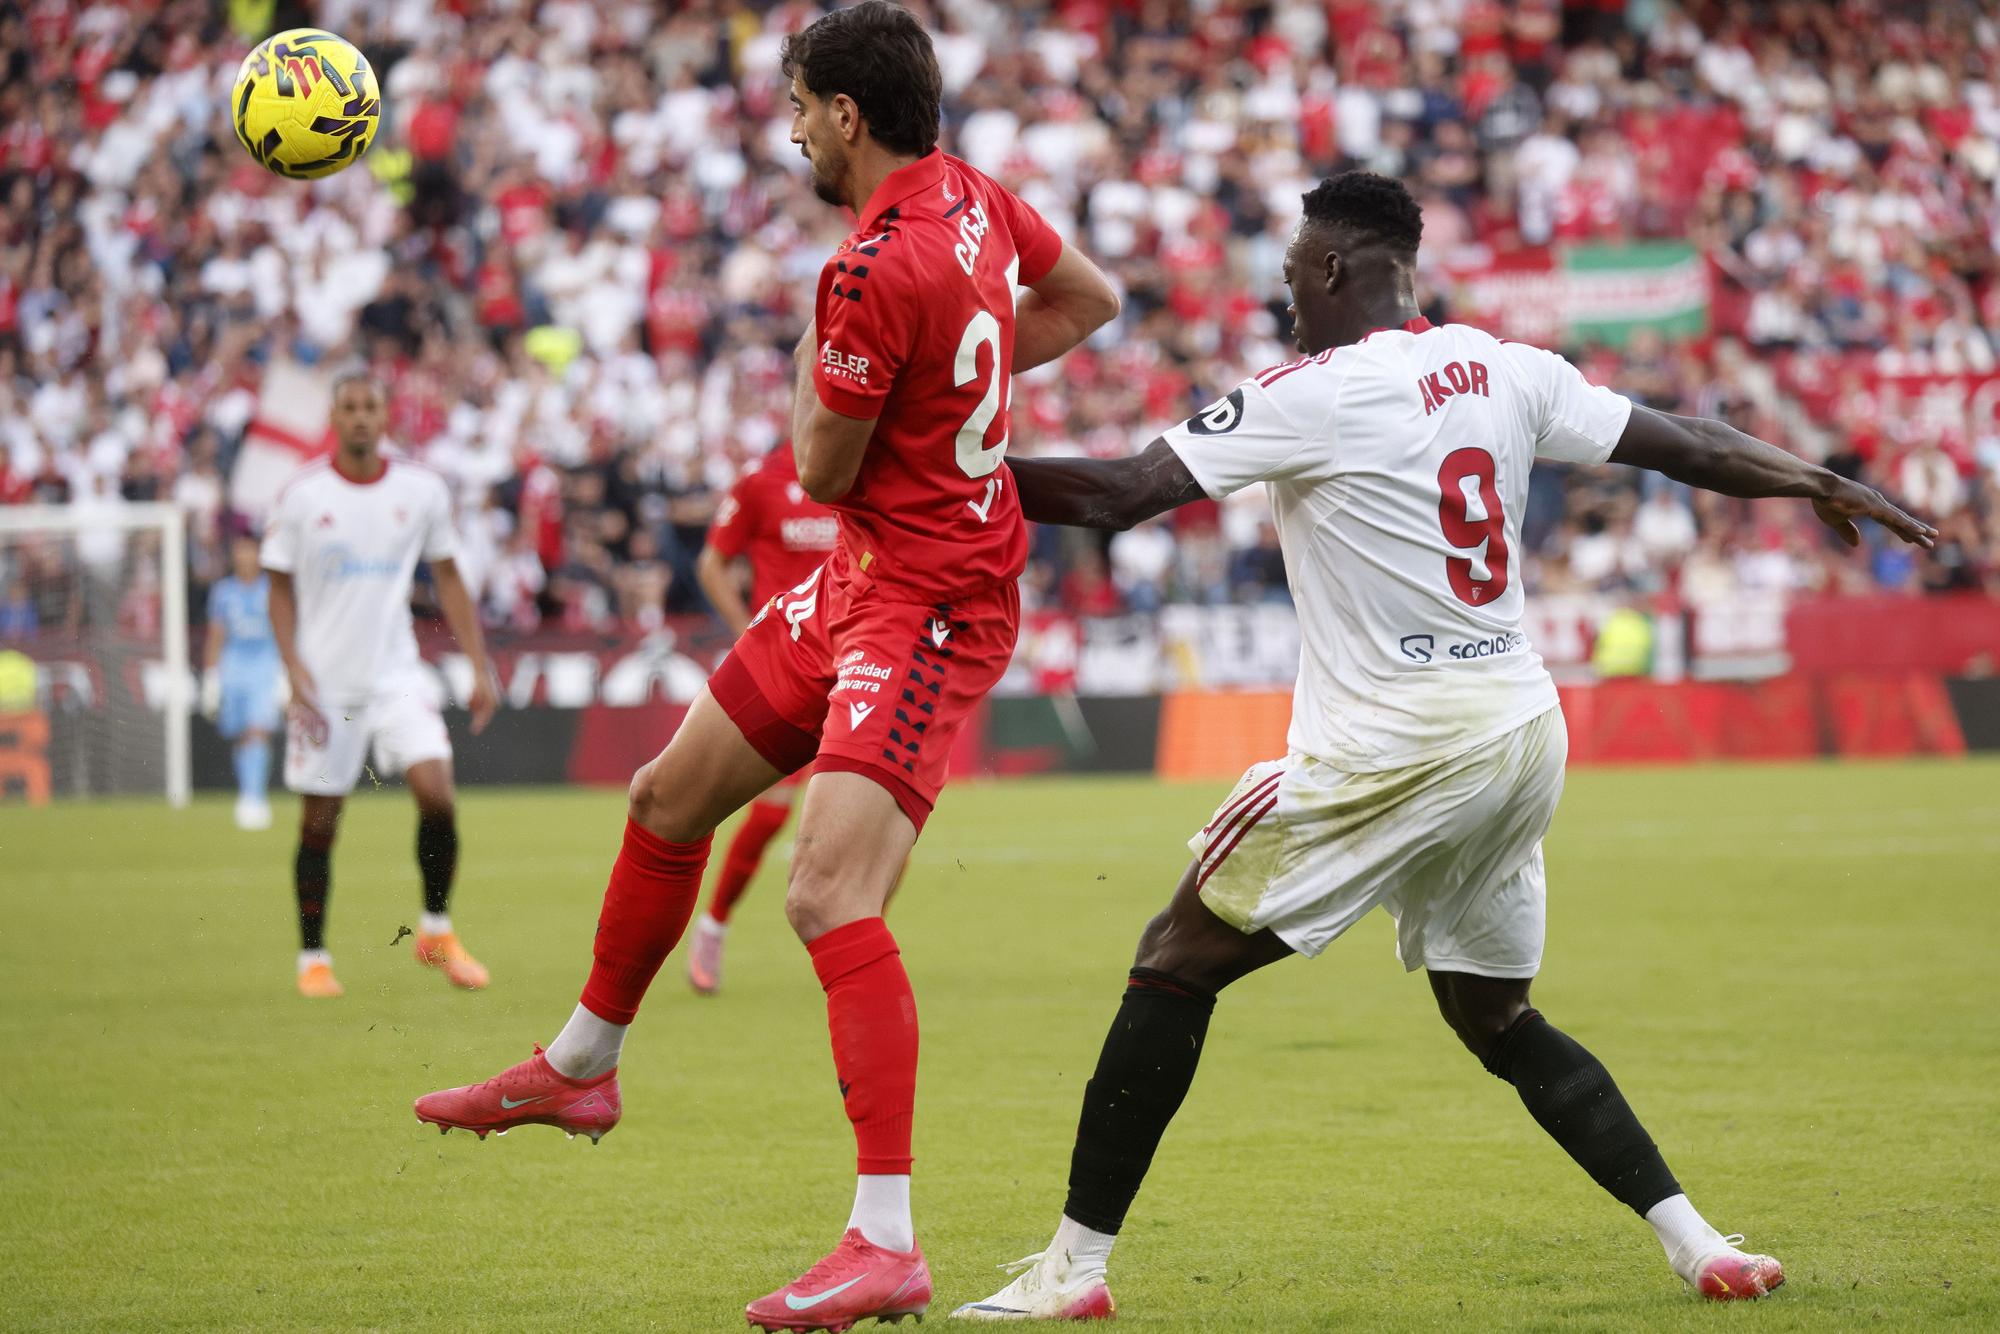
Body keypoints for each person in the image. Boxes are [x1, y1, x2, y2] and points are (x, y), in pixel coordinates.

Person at [952, 172, 1937, 1321]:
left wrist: (941, 470)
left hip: (1398, 743)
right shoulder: (1506, 368)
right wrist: (1815, 476)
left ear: (1327, 269)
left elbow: (1118, 493)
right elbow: (1683, 442)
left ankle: (1070, 1270)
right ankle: (1699, 1243)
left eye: (1288, 277)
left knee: (1172, 957)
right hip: (1519, 729)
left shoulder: (1309, 391)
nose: (1283, 299)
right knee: (1495, 1016)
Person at [412, 4, 1119, 1328]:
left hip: (930, 603)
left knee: (826, 892)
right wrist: (957, 389)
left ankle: (888, 1237)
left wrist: (858, 364)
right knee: (669, 799)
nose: (787, 128)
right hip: (857, 579)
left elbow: (817, 465)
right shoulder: (976, 198)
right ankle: (583, 1062)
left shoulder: (864, 272)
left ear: (846, 116)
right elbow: (1092, 297)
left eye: (797, 107)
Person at [262, 370, 500, 1000]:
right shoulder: (302, 495)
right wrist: (292, 666)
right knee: (320, 823)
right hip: (325, 686)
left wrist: (479, 662)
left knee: (437, 794)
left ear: (386, 415)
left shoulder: (421, 490)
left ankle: (436, 930)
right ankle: (313, 957)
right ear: (335, 418)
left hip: (396, 673)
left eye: (371, 406)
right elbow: (278, 587)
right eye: (350, 408)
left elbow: (448, 575)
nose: (362, 417)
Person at [685, 440, 839, 995]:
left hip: (860, 661)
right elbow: (712, 563)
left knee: (879, 814)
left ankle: (858, 950)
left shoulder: (861, 468)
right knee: (773, 813)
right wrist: (748, 629)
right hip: (790, 664)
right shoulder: (760, 481)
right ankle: (712, 928)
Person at [202, 531, 283, 830]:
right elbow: (216, 636)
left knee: (258, 730)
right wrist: (211, 677)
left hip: (265, 665)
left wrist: (285, 673)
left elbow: (284, 631)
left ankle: (254, 798)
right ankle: (248, 793)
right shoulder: (223, 592)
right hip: (233, 667)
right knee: (241, 735)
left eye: (250, 550)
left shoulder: (272, 589)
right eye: (240, 550)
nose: (245, 556)